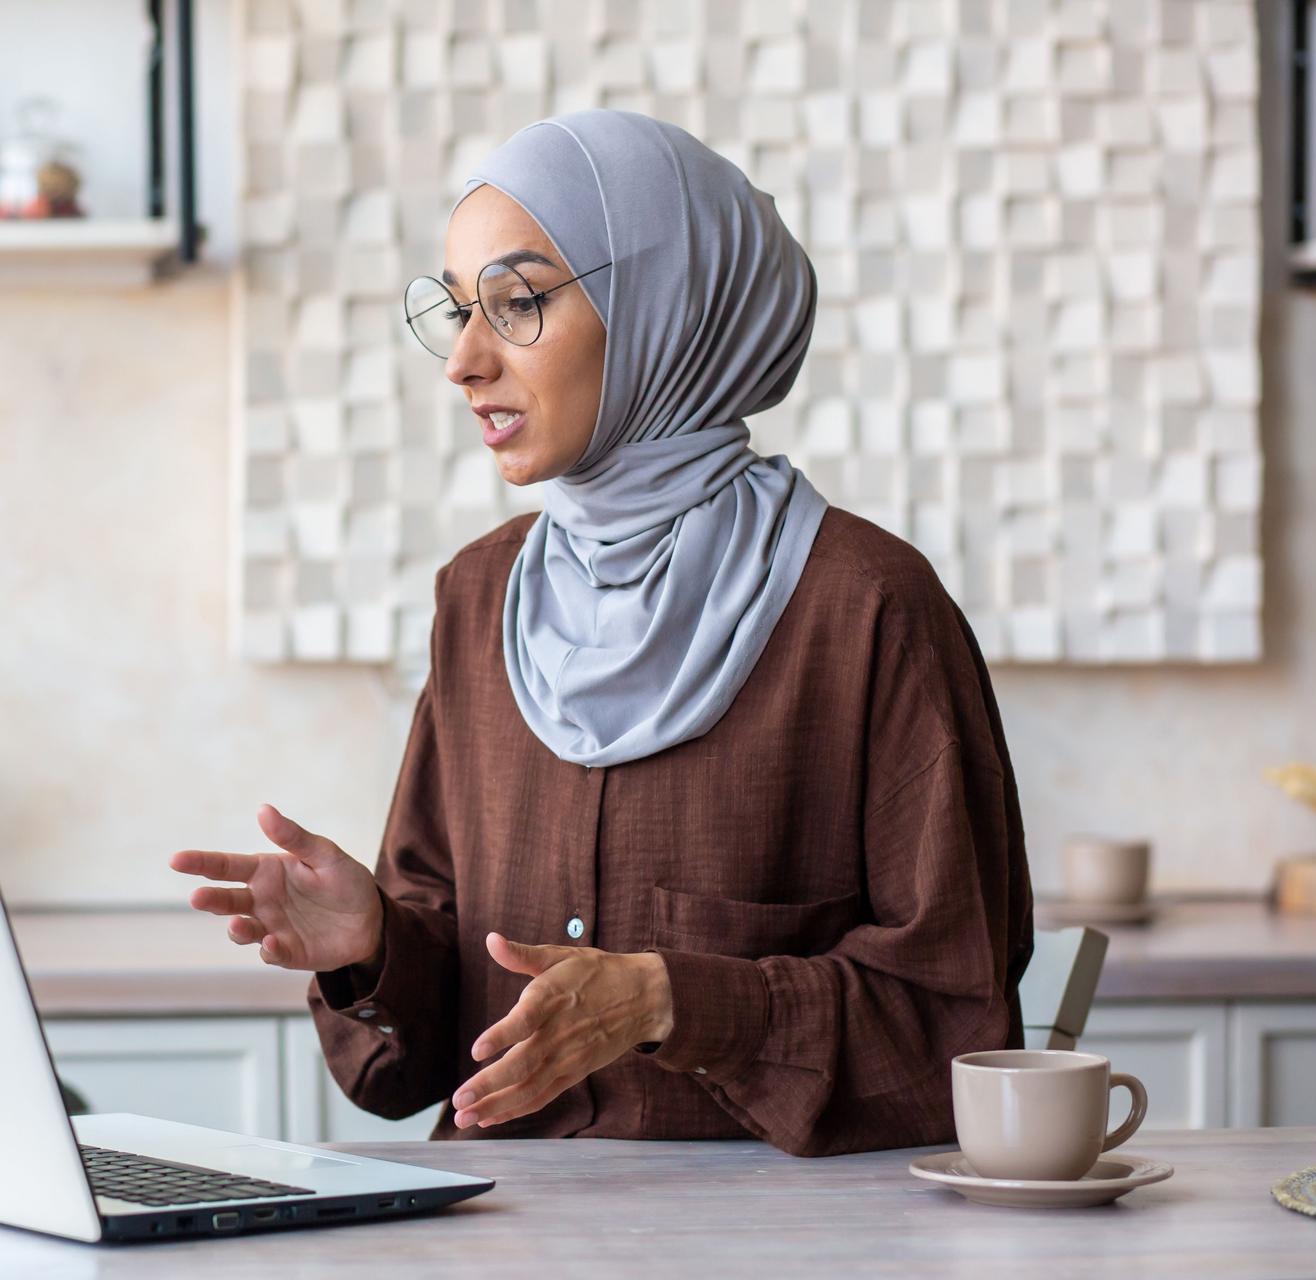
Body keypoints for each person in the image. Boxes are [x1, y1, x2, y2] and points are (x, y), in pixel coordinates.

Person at [172, 109, 1033, 1157]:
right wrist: (373, 946)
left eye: (519, 302)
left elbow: (957, 1025)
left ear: (664, 305)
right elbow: (425, 1060)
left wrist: (676, 1002)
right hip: (503, 1228)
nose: (465, 362)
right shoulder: (480, 598)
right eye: (456, 312)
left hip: (786, 1243)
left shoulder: (868, 608)